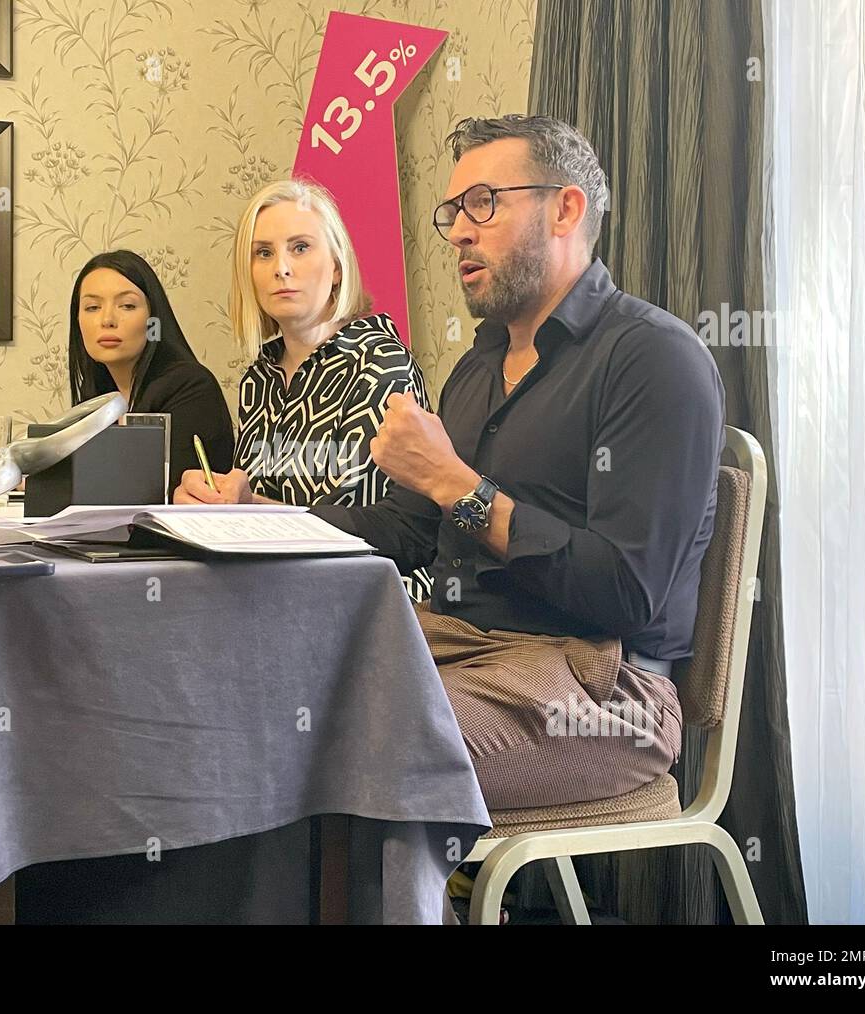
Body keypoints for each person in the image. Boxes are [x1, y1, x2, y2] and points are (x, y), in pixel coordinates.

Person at [191, 115, 724, 817]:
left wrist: (456, 483)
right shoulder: (477, 371)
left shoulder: (654, 360)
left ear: (565, 208)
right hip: (464, 644)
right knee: (244, 696)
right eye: (453, 213)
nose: (460, 232)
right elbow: (409, 533)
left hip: (603, 683)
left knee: (348, 746)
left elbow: (624, 591)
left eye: (484, 204)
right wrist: (259, 515)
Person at [173, 178, 432, 598]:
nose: (281, 268)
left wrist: (250, 507)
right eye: (263, 253)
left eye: (300, 247)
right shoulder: (258, 379)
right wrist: (208, 503)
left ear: (336, 267)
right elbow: (256, 501)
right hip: (272, 587)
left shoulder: (379, 363)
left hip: (373, 598)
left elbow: (377, 532)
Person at [67, 250, 233, 495]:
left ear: (154, 322)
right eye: (92, 307)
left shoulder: (191, 387)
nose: (107, 319)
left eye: (127, 305)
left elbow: (159, 493)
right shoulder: (96, 396)